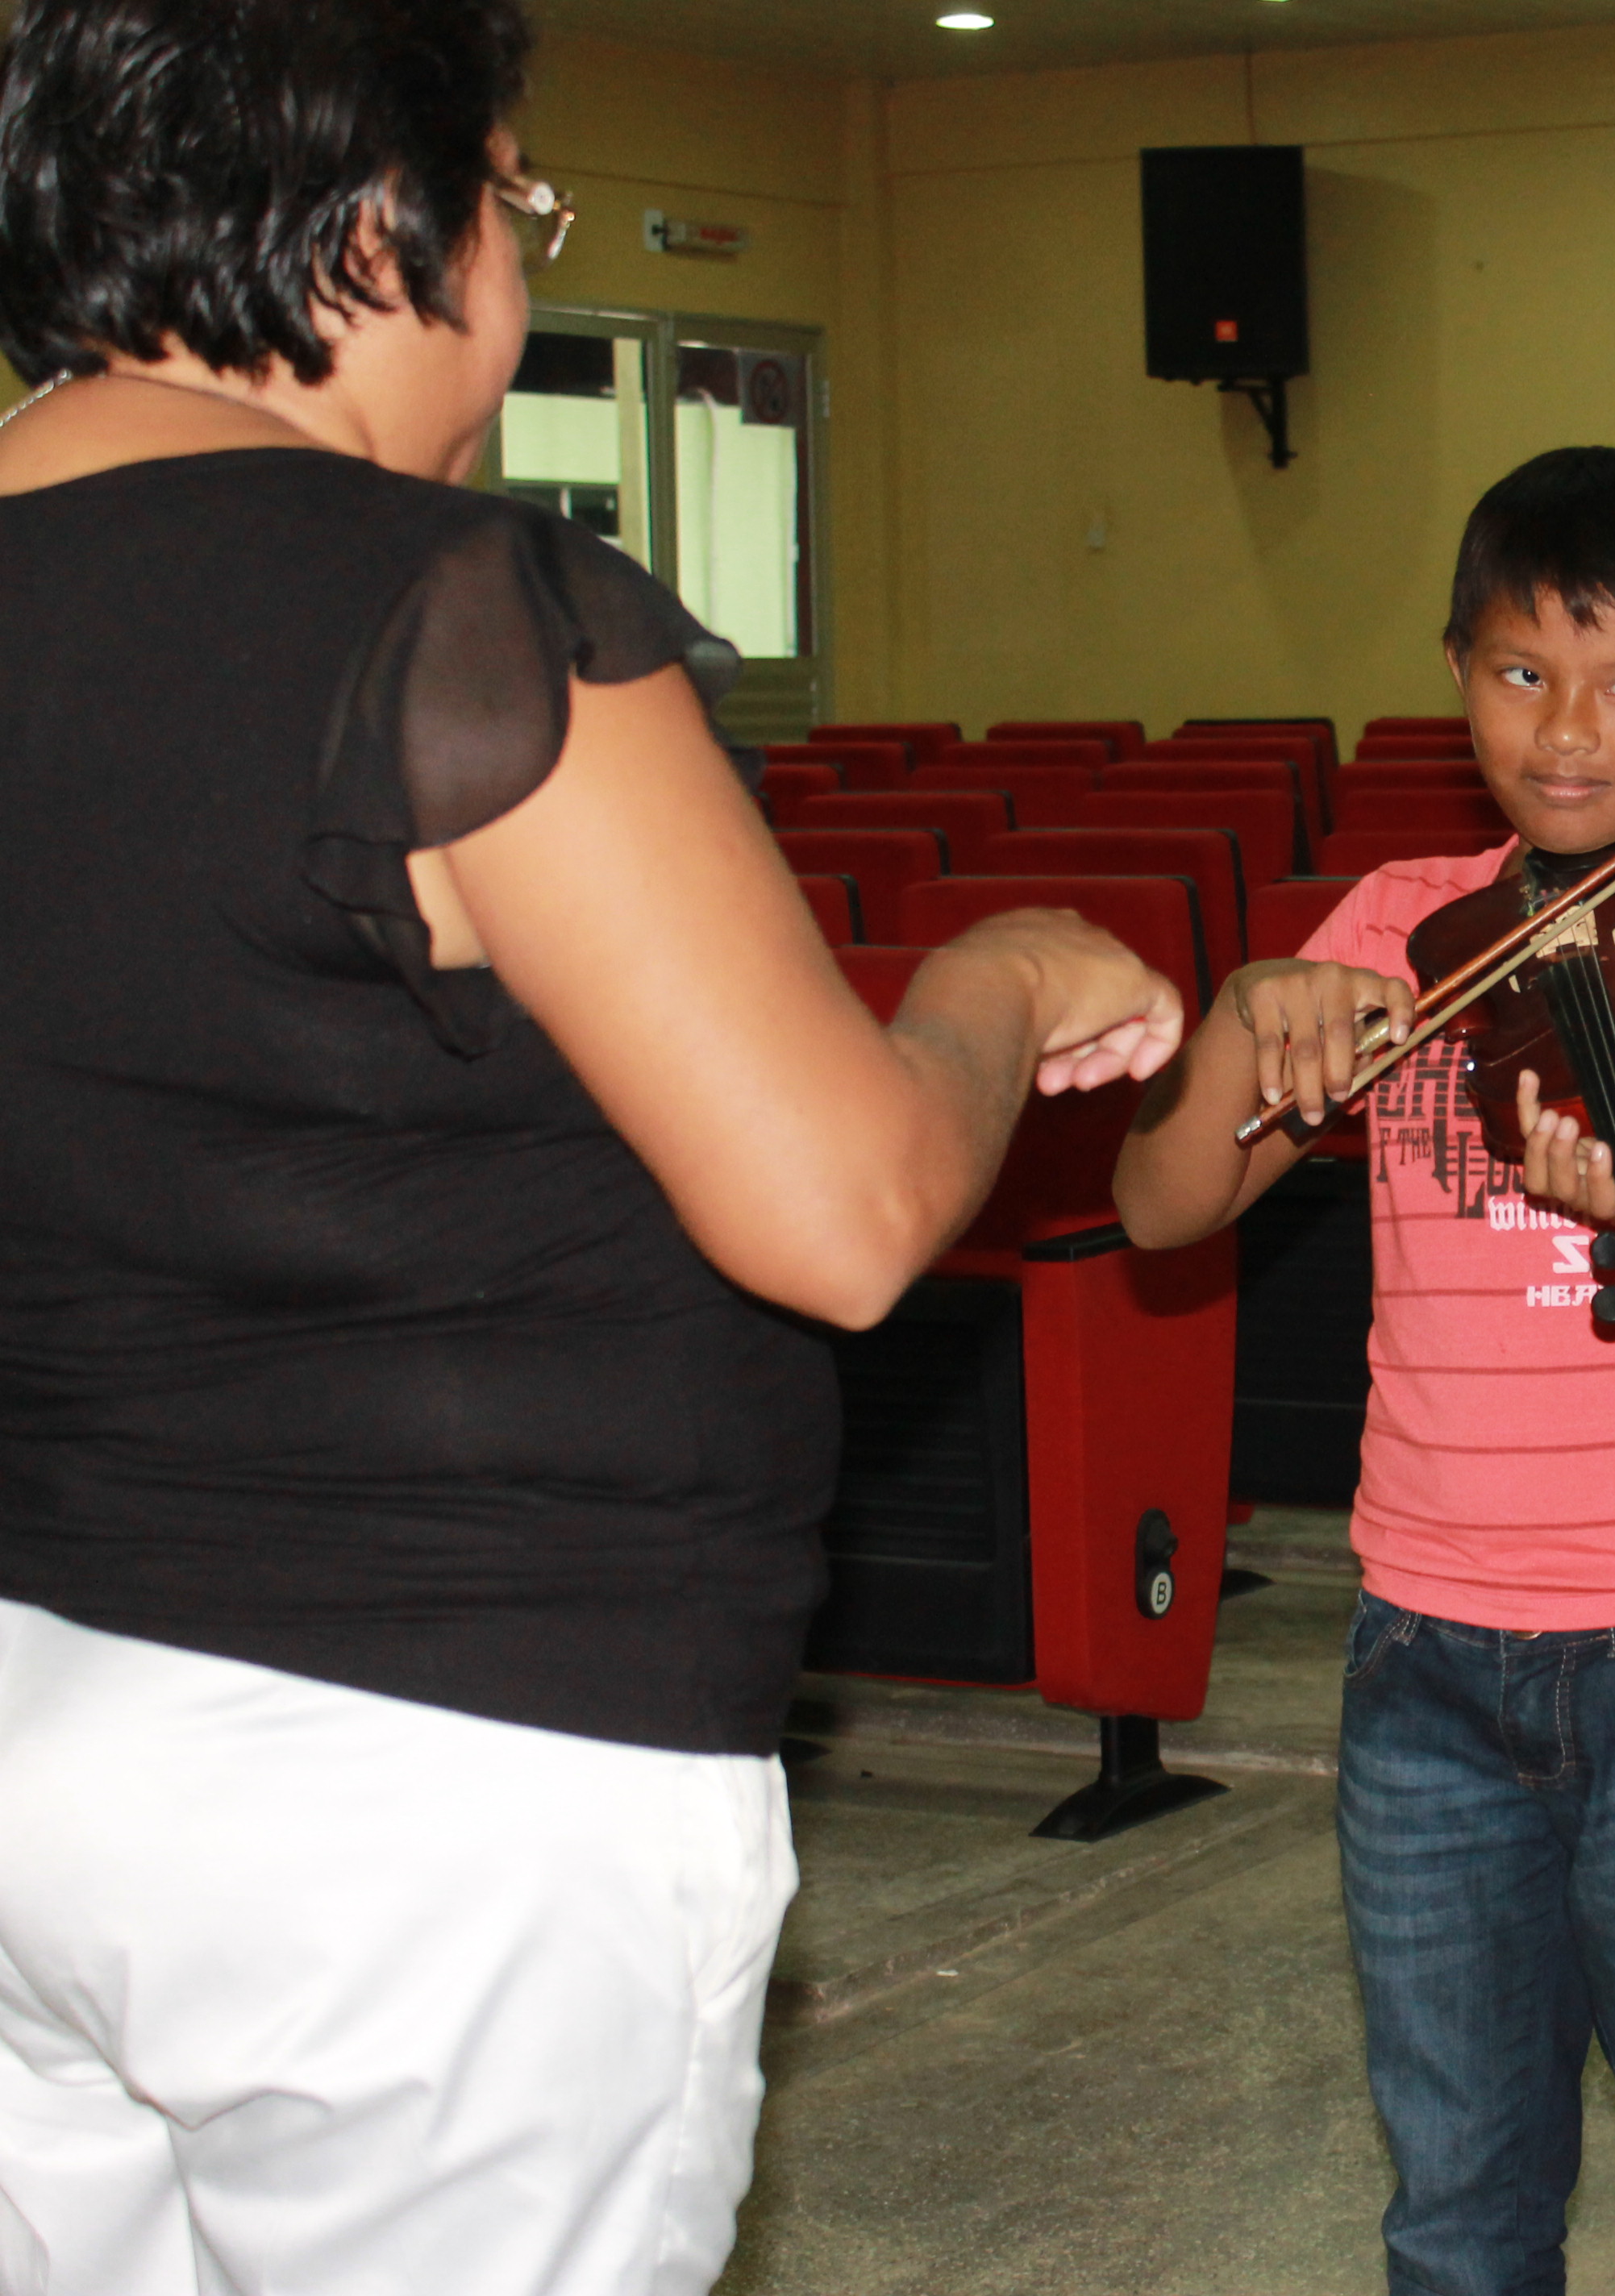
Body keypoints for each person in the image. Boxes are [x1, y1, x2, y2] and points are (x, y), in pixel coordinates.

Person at [0, 3, 1181, 2290]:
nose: (517, 281)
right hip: (442, 1770)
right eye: (516, 209)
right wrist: (998, 988)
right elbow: (839, 1214)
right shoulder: (453, 617)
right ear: (376, 227)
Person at [1116, 446, 1615, 2296]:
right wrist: (1244, 1012)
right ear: (1458, 669)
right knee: (1456, 2212)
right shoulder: (1399, 927)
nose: (1569, 731)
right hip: (1423, 1653)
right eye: (1522, 671)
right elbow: (1160, 1207)